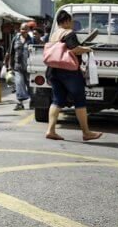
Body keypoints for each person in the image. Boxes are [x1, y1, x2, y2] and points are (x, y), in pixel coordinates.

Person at [44, 10, 102, 141]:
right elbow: (74, 49)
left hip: (53, 70)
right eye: (71, 22)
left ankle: (51, 130)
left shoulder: (53, 35)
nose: (72, 25)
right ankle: (86, 132)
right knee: (79, 99)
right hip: (68, 71)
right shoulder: (69, 33)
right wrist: (88, 49)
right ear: (66, 21)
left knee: (57, 100)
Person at [6, 24, 32, 110]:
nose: (23, 31)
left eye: (25, 29)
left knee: (30, 84)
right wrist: (10, 65)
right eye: (22, 29)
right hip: (18, 66)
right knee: (19, 83)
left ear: (28, 30)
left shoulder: (31, 40)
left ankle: (33, 100)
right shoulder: (15, 39)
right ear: (20, 30)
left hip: (29, 66)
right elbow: (11, 52)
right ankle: (19, 103)